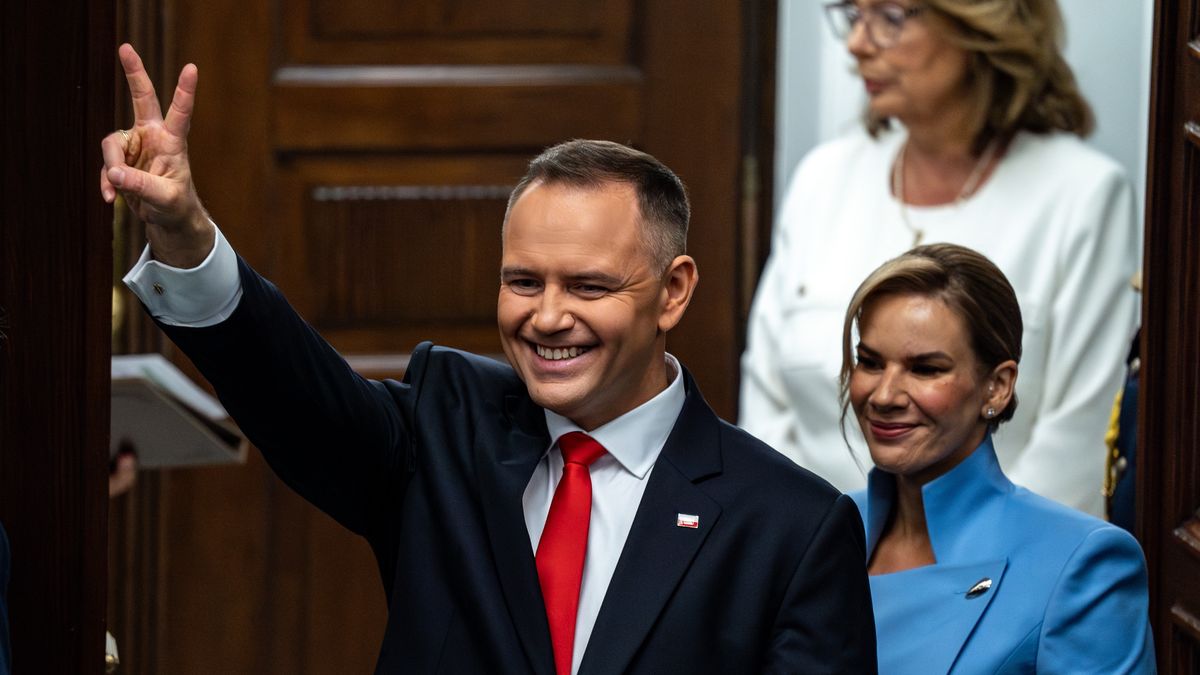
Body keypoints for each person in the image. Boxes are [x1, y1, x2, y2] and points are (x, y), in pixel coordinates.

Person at [99, 44, 877, 674]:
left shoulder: (790, 528)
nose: (546, 316)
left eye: (589, 285)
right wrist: (186, 238)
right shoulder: (446, 427)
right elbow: (289, 386)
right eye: (522, 280)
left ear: (673, 292)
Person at [740, 0, 1139, 517]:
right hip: (804, 564)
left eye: (889, 16)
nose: (857, 43)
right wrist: (802, 563)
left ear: (980, 27)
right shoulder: (824, 179)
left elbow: (1077, 443)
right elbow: (765, 406)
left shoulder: (1082, 195)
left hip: (996, 576)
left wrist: (952, 578)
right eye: (852, 14)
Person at [842, 243, 1154, 673]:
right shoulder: (822, 529)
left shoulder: (1082, 563)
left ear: (997, 387)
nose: (883, 395)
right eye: (870, 362)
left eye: (926, 369)